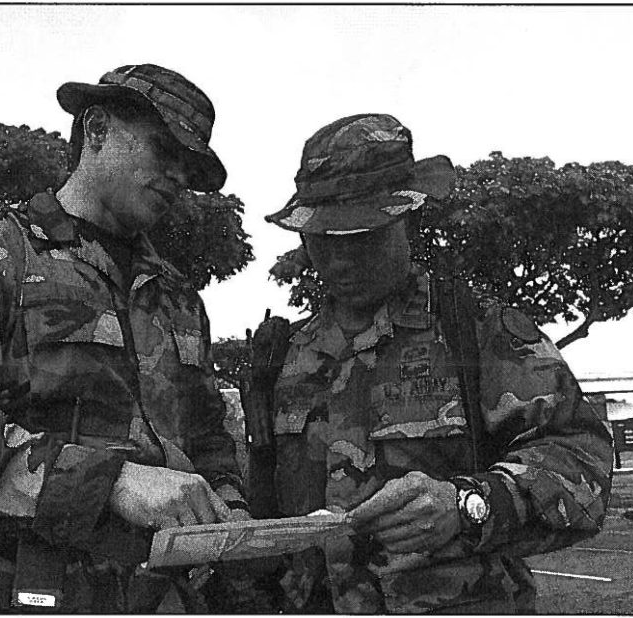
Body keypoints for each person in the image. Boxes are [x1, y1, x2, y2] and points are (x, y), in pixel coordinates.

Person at [0, 64, 248, 613]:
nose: (176, 176)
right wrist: (112, 482)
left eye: (187, 167)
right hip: (12, 594)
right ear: (95, 130)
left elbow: (208, 436)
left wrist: (231, 508)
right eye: (162, 149)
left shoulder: (176, 296)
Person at [244, 113, 613, 613]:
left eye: (362, 236)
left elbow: (584, 458)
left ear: (407, 219)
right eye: (323, 240)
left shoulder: (479, 332)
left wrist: (467, 505)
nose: (341, 259)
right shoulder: (284, 357)